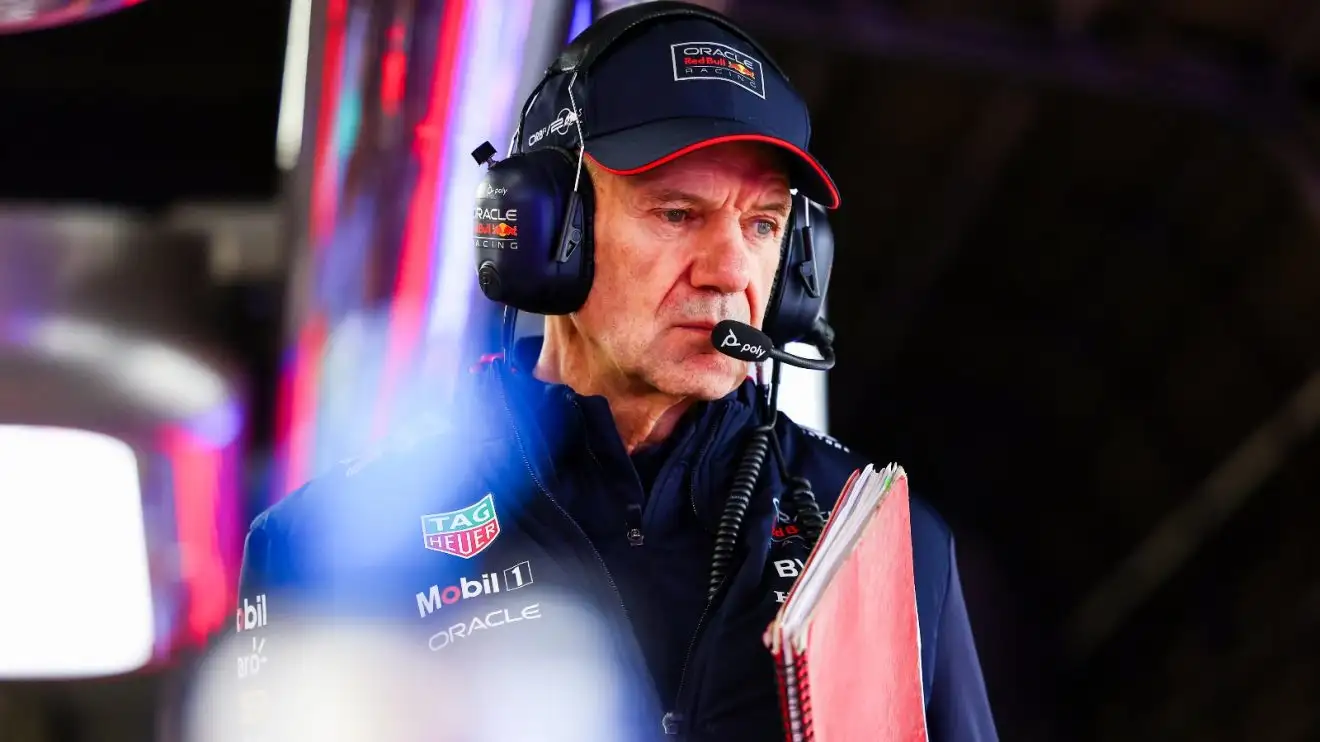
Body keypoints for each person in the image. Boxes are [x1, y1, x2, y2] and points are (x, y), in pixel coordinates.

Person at [231, 3, 997, 740]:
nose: (731, 270)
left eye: (763, 224)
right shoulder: (321, 546)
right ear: (545, 232)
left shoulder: (886, 543)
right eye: (677, 214)